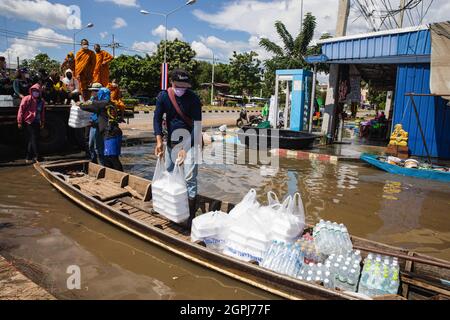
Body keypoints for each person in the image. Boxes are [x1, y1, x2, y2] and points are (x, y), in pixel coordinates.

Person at [153, 69, 202, 225]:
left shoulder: (193, 99)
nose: (181, 89)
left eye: (184, 86)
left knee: (189, 178)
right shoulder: (163, 97)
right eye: (178, 85)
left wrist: (185, 148)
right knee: (168, 173)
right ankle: (171, 208)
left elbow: (197, 126)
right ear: (172, 84)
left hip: (192, 142)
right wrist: (159, 140)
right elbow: (157, 118)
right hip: (172, 142)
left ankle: (190, 216)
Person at [80, 86, 123, 171]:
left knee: (110, 156)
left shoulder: (102, 103)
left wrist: (79, 104)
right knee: (111, 156)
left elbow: (87, 107)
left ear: (102, 94)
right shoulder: (111, 102)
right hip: (114, 132)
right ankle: (114, 173)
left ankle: (119, 174)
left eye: (99, 93)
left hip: (110, 133)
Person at [17, 84, 45, 163]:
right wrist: (19, 121)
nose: (35, 92)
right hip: (29, 121)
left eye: (37, 91)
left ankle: (28, 157)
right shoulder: (27, 99)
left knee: (32, 139)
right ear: (31, 91)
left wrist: (42, 122)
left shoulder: (41, 101)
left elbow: (42, 112)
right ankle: (37, 156)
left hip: (37, 122)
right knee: (34, 138)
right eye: (34, 91)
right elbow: (21, 110)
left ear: (40, 92)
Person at [82, 82, 105, 165]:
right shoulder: (92, 98)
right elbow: (87, 105)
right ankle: (94, 162)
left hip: (98, 125)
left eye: (94, 91)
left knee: (98, 147)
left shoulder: (102, 101)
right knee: (91, 145)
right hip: (92, 125)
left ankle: (102, 165)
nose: (92, 92)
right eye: (92, 91)